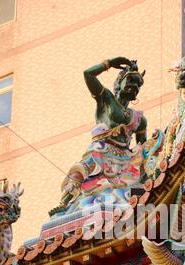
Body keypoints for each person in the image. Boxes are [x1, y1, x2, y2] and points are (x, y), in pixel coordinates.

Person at [50, 57, 147, 216]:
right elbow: (88, 74)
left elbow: (144, 148)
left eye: (138, 84)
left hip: (124, 157)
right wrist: (108, 63)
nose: (134, 86)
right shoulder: (106, 98)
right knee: (80, 170)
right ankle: (65, 203)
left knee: (133, 181)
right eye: (131, 80)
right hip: (101, 149)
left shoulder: (139, 119)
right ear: (119, 82)